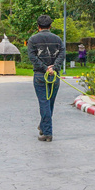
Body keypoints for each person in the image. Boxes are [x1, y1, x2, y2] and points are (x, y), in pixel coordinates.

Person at [28, 14, 65, 142]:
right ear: (50, 26)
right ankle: (44, 127)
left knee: (44, 103)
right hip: (54, 76)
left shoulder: (33, 40)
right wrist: (53, 68)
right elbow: (62, 53)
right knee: (49, 104)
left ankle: (47, 133)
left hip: (40, 75)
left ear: (38, 27)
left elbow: (32, 57)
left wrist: (45, 68)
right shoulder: (58, 39)